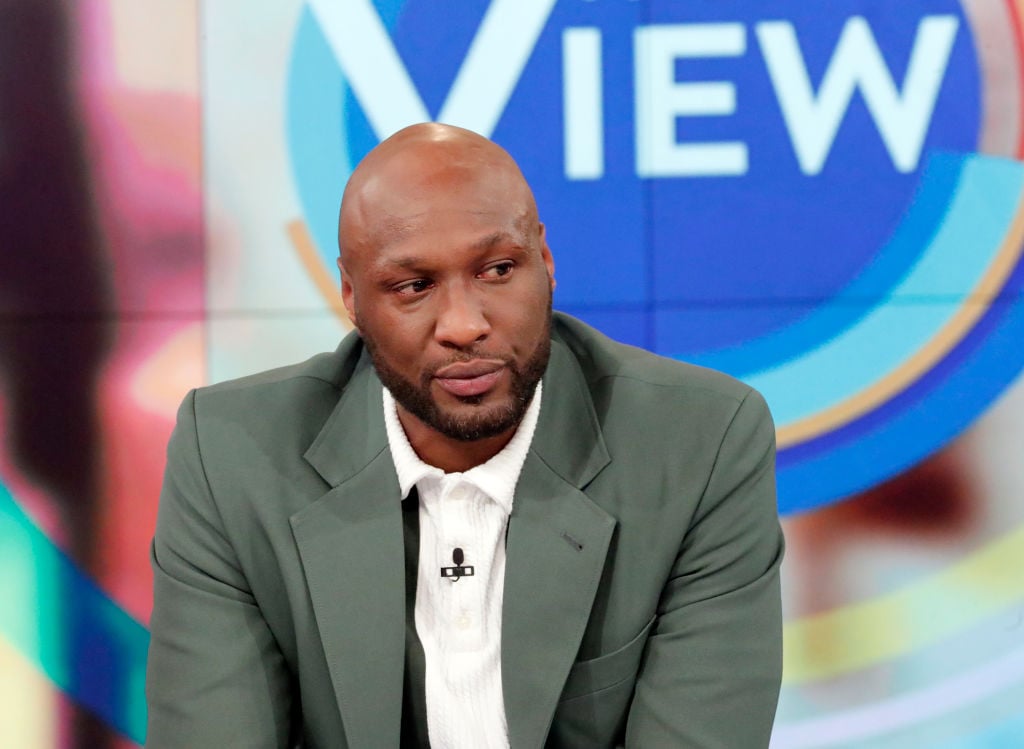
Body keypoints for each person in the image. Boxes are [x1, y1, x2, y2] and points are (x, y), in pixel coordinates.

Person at [145, 123, 784, 748]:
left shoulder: (699, 444)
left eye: (497, 270)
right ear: (351, 295)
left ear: (545, 261)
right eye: (414, 286)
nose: (463, 325)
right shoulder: (231, 457)